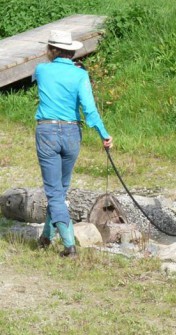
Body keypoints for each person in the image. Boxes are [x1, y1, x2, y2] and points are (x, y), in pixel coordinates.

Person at [35, 30, 113, 257]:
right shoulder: (80, 75)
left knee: (54, 191)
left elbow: (48, 75)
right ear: (71, 52)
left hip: (47, 130)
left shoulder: (41, 70)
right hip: (71, 132)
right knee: (60, 188)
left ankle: (69, 245)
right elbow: (89, 109)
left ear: (52, 50)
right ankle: (47, 237)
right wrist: (104, 134)